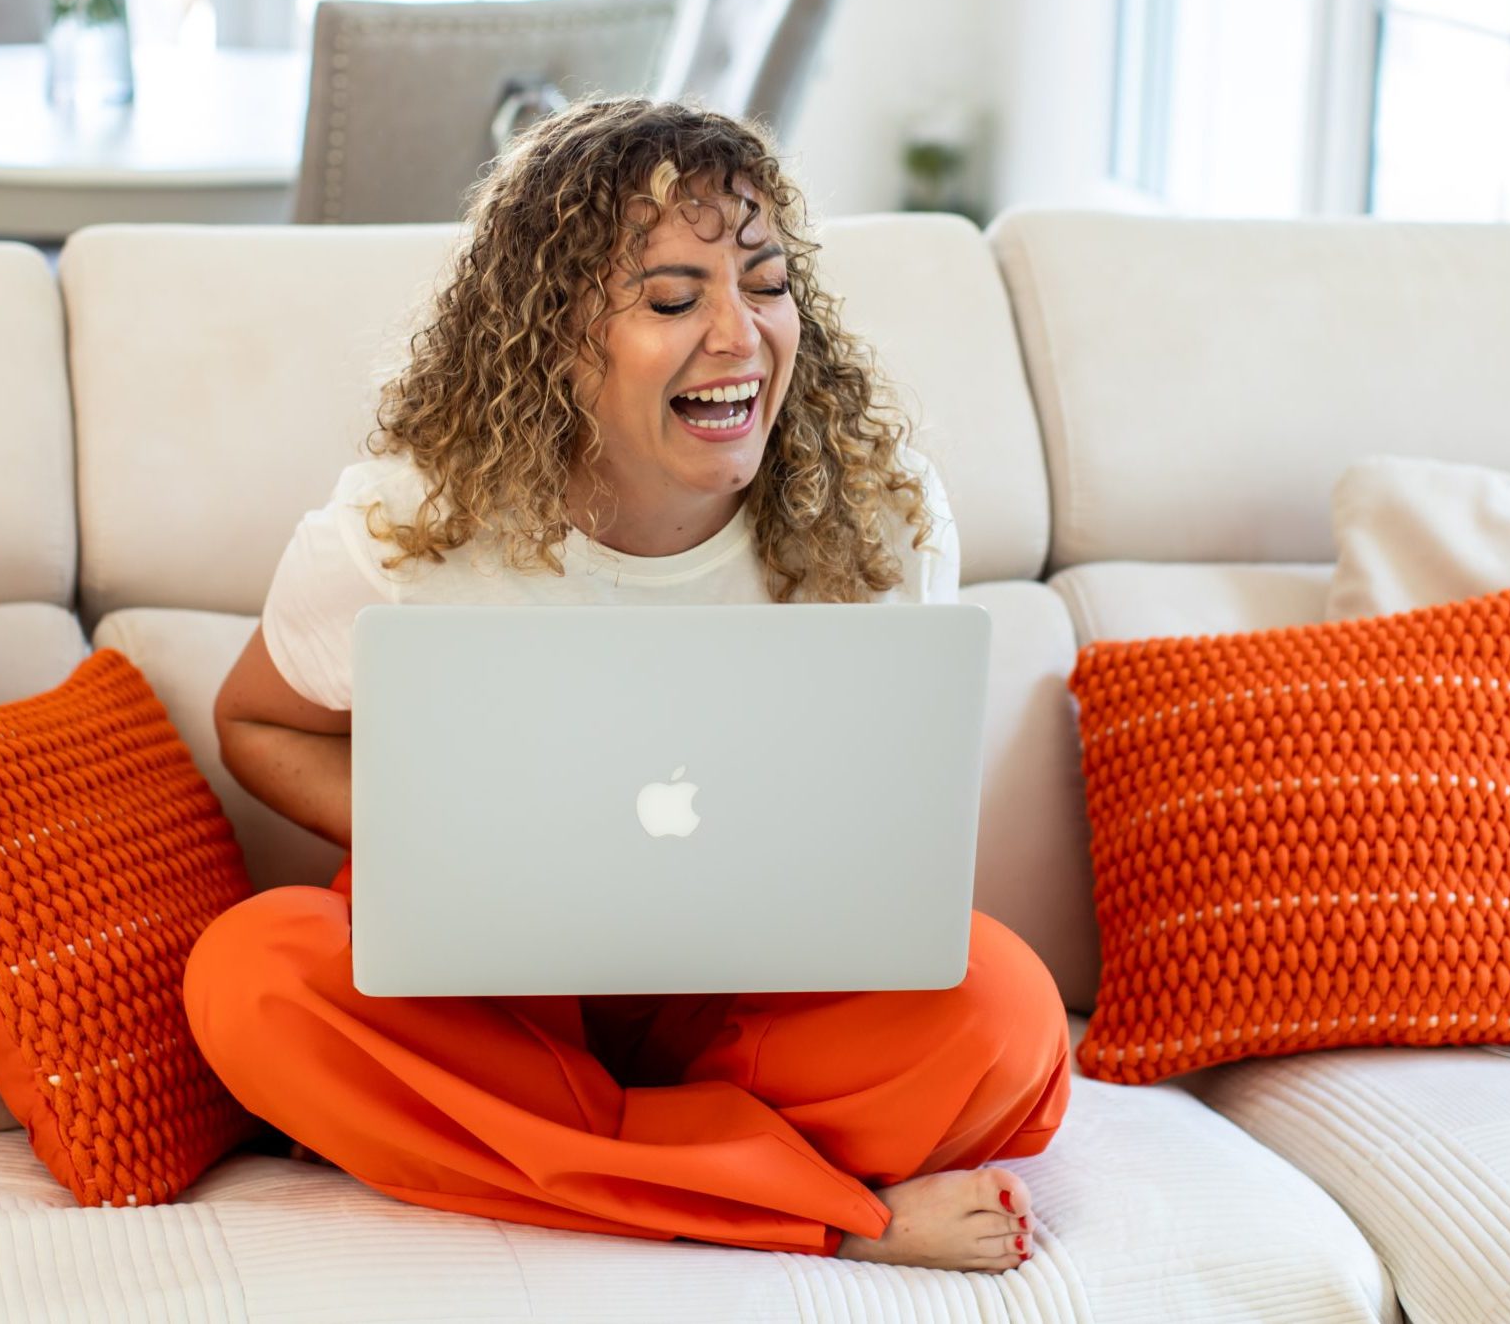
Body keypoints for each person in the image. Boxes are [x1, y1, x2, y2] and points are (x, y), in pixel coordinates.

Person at [183, 99, 1070, 1273]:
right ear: (552, 336)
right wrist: (454, 835)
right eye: (671, 299)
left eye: (764, 282)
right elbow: (253, 721)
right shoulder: (407, 524)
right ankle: (819, 1213)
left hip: (761, 1002)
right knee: (250, 978)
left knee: (1009, 1013)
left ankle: (553, 1159)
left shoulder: (883, 508)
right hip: (486, 998)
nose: (740, 335)